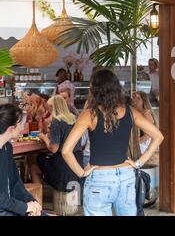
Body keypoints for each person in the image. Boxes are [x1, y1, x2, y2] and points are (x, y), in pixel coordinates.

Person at [61, 69, 164, 216]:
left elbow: (66, 151)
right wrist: (138, 163)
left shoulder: (88, 115)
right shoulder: (130, 111)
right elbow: (158, 136)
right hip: (126, 177)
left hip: (99, 178)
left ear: (95, 90)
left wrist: (82, 173)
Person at [30, 95, 83, 192]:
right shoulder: (74, 119)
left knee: (34, 165)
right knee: (41, 158)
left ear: (54, 107)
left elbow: (53, 148)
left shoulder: (56, 121)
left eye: (50, 108)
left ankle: (38, 202)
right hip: (76, 169)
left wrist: (43, 137)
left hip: (62, 172)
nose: (49, 111)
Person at [0, 104, 42, 216]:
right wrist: (25, 207)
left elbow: (15, 184)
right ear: (11, 128)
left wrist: (32, 203)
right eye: (21, 124)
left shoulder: (6, 147)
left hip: (7, 208)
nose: (23, 128)